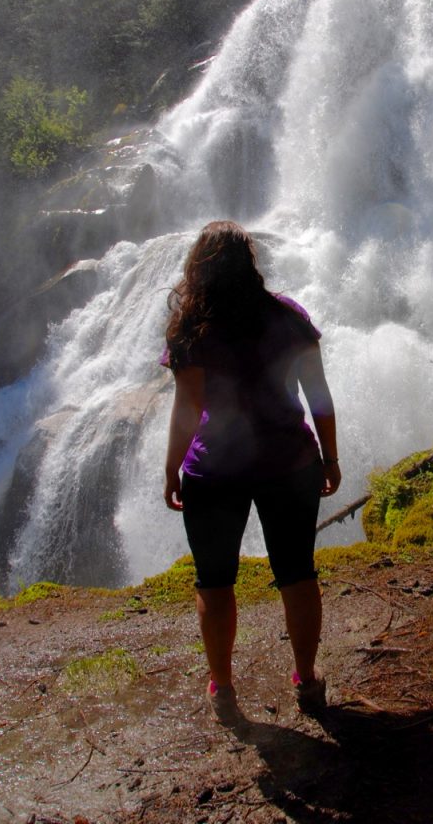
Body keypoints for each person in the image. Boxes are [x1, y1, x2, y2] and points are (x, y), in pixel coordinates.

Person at [162, 220, 341, 723]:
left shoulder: (192, 328)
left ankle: (222, 687)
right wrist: (330, 456)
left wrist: (172, 469)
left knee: (214, 583)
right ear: (251, 263)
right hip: (289, 461)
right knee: (298, 574)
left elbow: (188, 409)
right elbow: (318, 396)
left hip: (215, 469)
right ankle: (306, 679)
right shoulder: (289, 317)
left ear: (199, 268)